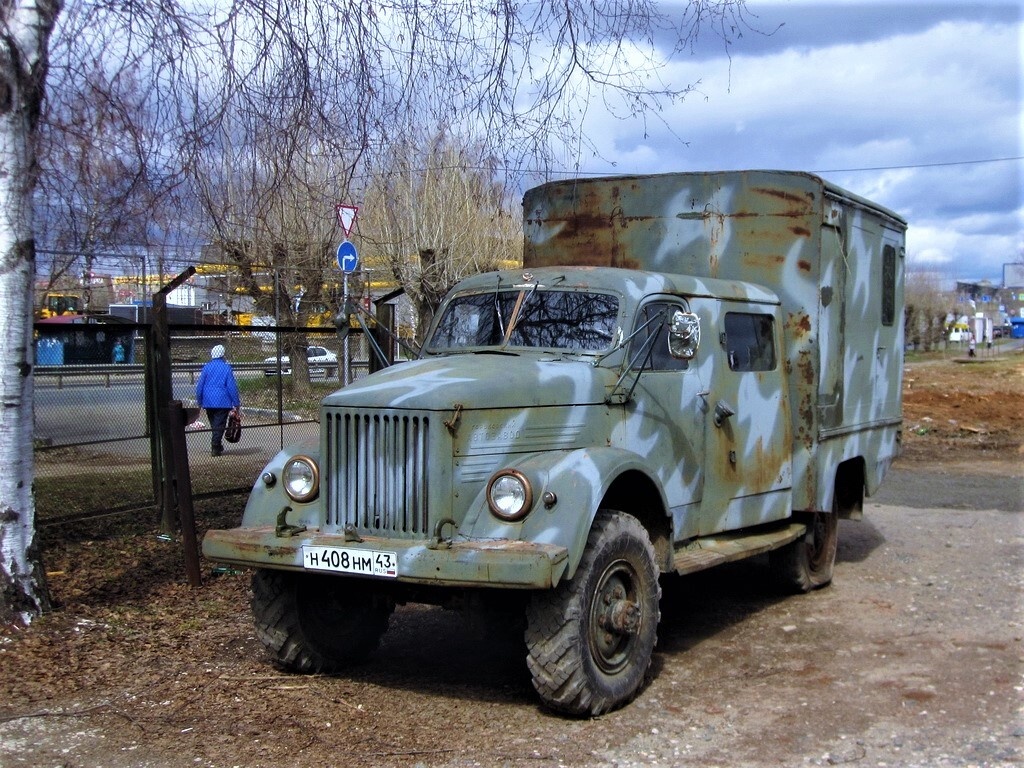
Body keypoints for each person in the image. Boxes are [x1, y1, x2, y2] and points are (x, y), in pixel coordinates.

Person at [196, 344, 241, 456]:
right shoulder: (226, 368)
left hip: (208, 401)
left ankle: (217, 445)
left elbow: (200, 385)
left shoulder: (206, 367)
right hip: (222, 401)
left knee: (215, 425)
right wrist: (236, 402)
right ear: (222, 355)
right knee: (219, 425)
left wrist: (199, 400)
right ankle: (215, 446)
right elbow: (231, 386)